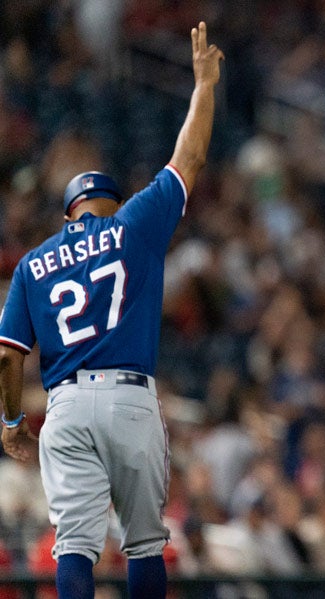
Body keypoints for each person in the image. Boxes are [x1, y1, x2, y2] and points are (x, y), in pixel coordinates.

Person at [0, 21, 224, 599]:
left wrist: (9, 422)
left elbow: (8, 355)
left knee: (73, 543)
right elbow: (190, 156)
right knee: (145, 542)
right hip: (128, 398)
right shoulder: (134, 225)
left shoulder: (34, 262)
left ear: (69, 213)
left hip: (66, 404)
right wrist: (203, 86)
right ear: (112, 203)